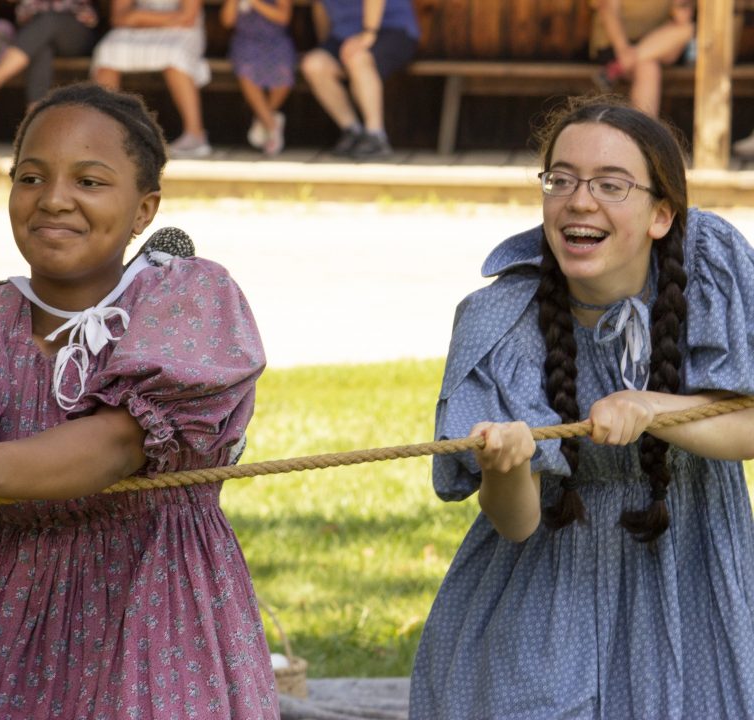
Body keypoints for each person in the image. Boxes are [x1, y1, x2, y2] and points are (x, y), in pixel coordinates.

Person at [0, 82, 277, 719]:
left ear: (145, 209)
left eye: (90, 181)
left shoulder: (185, 302)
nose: (54, 199)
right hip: (9, 606)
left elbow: (116, 447)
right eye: (31, 177)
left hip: (157, 602)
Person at [409, 95, 754, 719]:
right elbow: (516, 523)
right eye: (560, 179)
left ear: (661, 214)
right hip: (549, 586)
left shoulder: (710, 268)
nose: (579, 200)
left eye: (610, 185)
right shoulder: (502, 320)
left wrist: (653, 407)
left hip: (692, 569)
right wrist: (506, 467)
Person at [92, 0, 213, 159]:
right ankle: (105, 134)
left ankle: (195, 134)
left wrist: (138, 16)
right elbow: (118, 17)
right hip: (137, 29)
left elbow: (187, 17)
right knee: (106, 52)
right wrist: (144, 19)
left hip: (182, 30)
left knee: (175, 55)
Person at [299, 0, 418, 160]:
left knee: (356, 57)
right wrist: (325, 43)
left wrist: (368, 33)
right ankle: (353, 131)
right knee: (313, 64)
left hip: (391, 29)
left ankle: (375, 135)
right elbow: (320, 8)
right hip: (341, 35)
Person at [590, 0, 695, 118]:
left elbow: (681, 20)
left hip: (653, 44)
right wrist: (622, 49)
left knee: (687, 29)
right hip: (615, 44)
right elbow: (609, 12)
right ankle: (642, 132)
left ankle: (617, 67)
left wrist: (681, 8)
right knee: (648, 67)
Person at [0, 1, 99, 107]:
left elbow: (90, 18)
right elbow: (23, 18)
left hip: (77, 36)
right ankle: (35, 115)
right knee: (42, 49)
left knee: (48, 21)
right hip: (39, 39)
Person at [219, 0, 295, 157]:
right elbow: (227, 21)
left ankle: (263, 120)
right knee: (246, 69)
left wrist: (254, 2)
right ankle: (273, 128)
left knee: (284, 69)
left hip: (277, 40)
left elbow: (283, 17)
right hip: (246, 41)